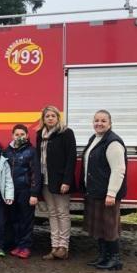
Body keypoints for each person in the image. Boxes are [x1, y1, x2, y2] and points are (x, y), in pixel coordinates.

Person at [80, 110, 127, 271]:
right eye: (96, 120)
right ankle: (103, 256)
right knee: (100, 227)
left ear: (110, 123)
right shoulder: (95, 138)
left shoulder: (113, 142)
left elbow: (118, 170)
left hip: (106, 193)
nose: (99, 123)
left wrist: (111, 193)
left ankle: (114, 259)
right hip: (95, 191)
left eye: (103, 121)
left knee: (109, 226)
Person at [36, 106, 77, 260]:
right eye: (47, 116)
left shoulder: (66, 133)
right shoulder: (40, 134)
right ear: (43, 119)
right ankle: (54, 247)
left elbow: (71, 158)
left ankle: (64, 247)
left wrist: (66, 181)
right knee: (52, 213)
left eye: (53, 115)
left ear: (58, 118)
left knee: (62, 213)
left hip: (60, 181)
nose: (50, 118)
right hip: (46, 180)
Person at [4, 124, 41, 259]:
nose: (19, 137)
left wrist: (34, 193)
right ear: (12, 136)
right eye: (17, 134)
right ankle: (18, 244)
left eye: (22, 134)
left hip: (25, 190)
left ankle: (26, 246)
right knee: (14, 219)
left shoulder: (31, 151)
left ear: (27, 136)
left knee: (26, 219)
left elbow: (35, 173)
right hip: (11, 191)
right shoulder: (7, 151)